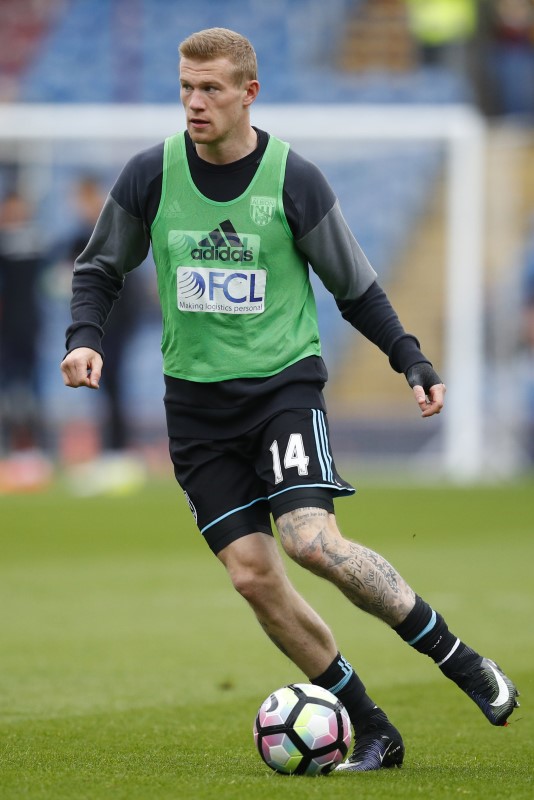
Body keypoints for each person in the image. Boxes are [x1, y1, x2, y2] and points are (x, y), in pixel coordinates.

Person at [60, 27, 519, 771]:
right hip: (195, 409)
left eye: (210, 88)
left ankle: (464, 663)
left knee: (311, 542)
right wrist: (86, 336)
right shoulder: (150, 174)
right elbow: (99, 267)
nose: (194, 102)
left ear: (250, 93)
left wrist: (411, 358)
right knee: (251, 574)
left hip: (282, 388)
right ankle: (375, 729)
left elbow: (355, 287)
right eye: (185, 87)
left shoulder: (292, 179)